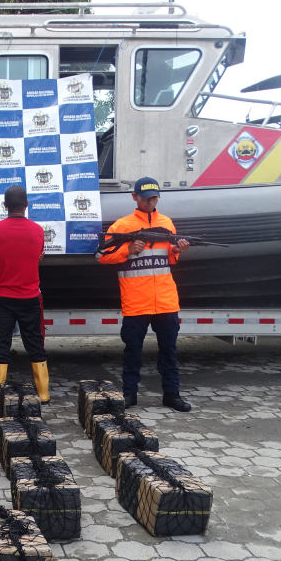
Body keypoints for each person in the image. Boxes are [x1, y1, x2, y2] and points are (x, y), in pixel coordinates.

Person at [98, 176, 191, 412]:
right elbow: (100, 256)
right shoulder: (121, 226)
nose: (151, 201)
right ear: (135, 197)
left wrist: (176, 250)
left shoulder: (167, 223)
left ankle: (172, 395)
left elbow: (168, 260)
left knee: (169, 352)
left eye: (155, 197)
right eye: (147, 197)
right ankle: (129, 395)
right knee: (133, 352)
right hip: (136, 302)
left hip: (167, 301)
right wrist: (127, 250)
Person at [0, 185, 50, 405]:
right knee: (35, 343)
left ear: (5, 206)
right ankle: (43, 394)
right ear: (26, 205)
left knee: (0, 345)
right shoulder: (38, 230)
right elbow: (39, 254)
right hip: (30, 297)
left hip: (2, 298)